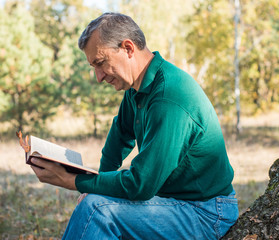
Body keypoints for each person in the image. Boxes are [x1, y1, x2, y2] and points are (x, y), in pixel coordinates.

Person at [30, 12, 239, 239]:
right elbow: (119, 136)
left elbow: (142, 184)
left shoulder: (169, 96)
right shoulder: (137, 89)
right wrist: (96, 184)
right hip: (174, 203)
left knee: (97, 210)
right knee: (95, 203)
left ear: (128, 48)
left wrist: (75, 181)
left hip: (207, 213)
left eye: (100, 63)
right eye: (93, 67)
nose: (98, 77)